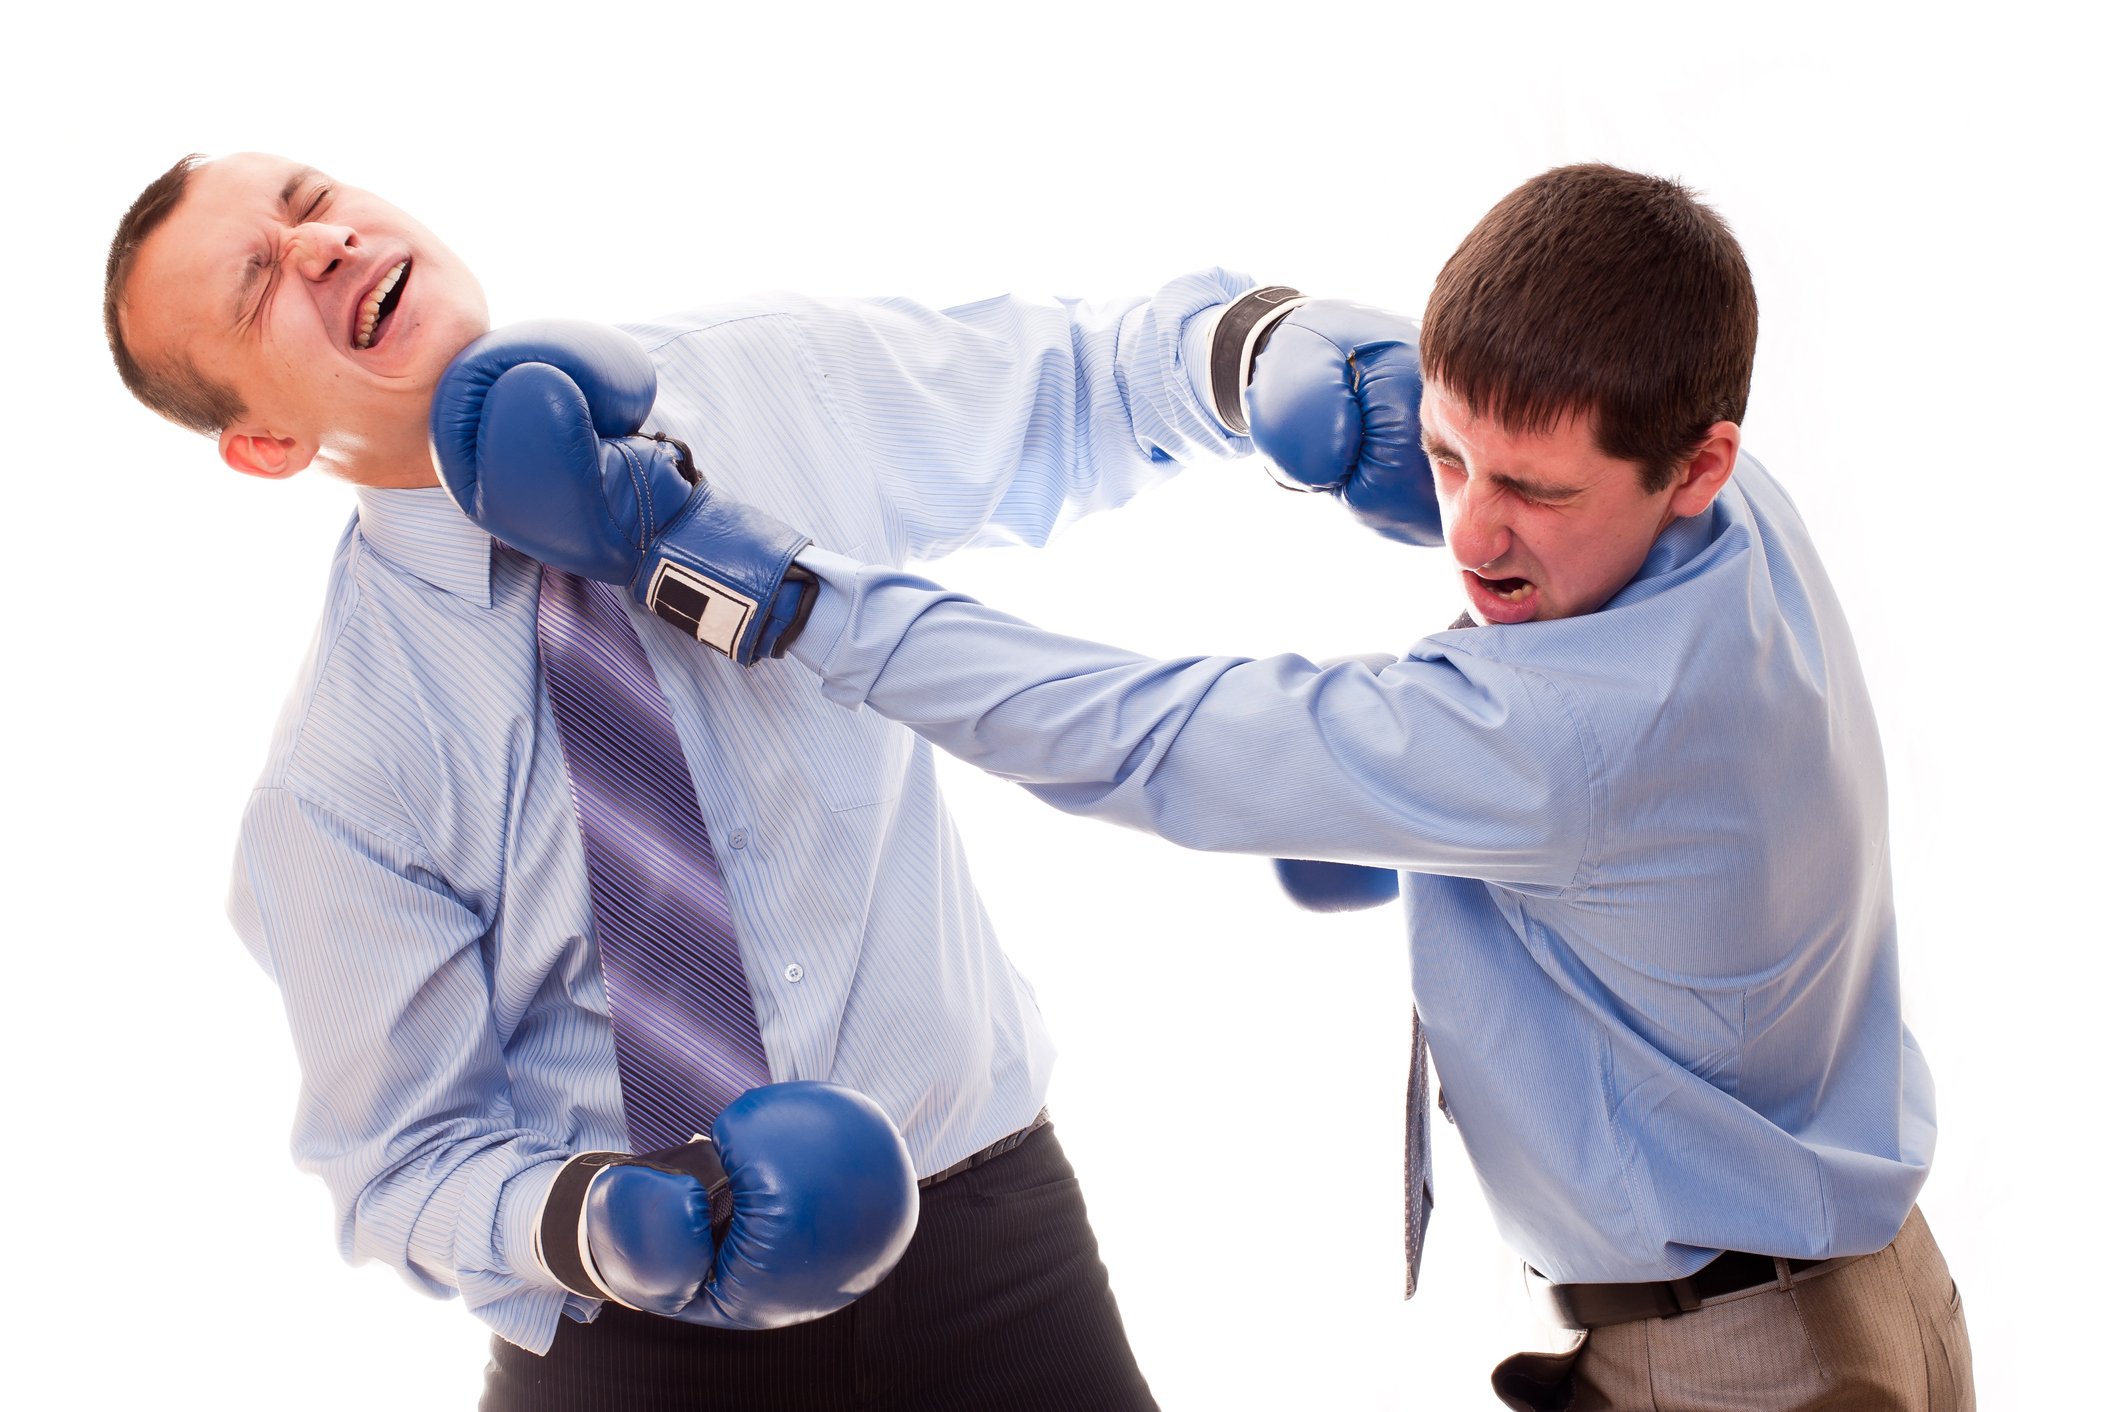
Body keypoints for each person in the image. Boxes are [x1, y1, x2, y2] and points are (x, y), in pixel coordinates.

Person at [452, 164, 1973, 1409]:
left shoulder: (1566, 733)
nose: (1469, 533)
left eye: (1534, 491)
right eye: (1449, 454)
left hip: (1737, 1370)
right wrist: (1296, 354)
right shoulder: (1738, 522)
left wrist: (756, 583)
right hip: (1859, 1293)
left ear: (1696, 463)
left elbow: (1146, 734)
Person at [100, 150, 1420, 1411]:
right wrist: (597, 1223)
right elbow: (402, 1162)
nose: (322, 244)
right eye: (259, 281)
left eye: (312, 198)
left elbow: (1073, 386)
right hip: (636, 1350)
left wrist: (1253, 352)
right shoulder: (335, 774)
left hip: (997, 1252)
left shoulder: (754, 382)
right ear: (265, 444)